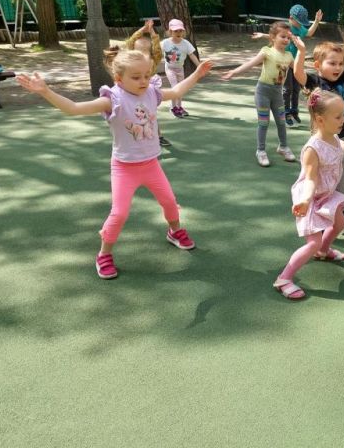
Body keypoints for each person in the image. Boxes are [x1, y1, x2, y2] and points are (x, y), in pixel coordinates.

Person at [16, 49, 214, 280]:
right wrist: (45, 91)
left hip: (151, 164)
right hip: (124, 168)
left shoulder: (152, 92)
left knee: (169, 201)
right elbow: (74, 109)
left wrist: (197, 73)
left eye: (147, 75)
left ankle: (175, 231)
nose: (143, 81)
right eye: (136, 77)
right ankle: (104, 254)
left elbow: (177, 91)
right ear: (119, 79)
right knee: (119, 214)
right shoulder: (112, 99)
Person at [273, 90, 344, 300]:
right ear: (320, 120)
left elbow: (336, 148)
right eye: (338, 117)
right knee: (312, 241)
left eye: (343, 115)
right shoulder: (312, 149)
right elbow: (310, 179)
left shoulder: (333, 138)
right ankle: (284, 278)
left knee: (340, 222)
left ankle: (323, 251)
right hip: (310, 197)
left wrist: (342, 147)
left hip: (325, 193)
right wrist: (306, 200)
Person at [293, 20, 344, 227]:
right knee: (320, 178)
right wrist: (301, 52)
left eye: (340, 63)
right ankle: (317, 210)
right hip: (321, 139)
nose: (338, 67)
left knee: (342, 176)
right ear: (318, 65)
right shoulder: (315, 82)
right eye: (332, 63)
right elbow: (298, 74)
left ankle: (337, 210)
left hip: (342, 136)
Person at [221, 21, 297, 167]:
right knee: (264, 122)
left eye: (288, 37)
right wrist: (234, 72)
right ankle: (261, 151)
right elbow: (250, 63)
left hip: (277, 93)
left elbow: (299, 71)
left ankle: (283, 147)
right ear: (273, 37)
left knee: (281, 121)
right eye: (283, 36)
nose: (286, 40)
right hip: (263, 92)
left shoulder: (289, 56)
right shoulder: (266, 51)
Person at [252, 4, 323, 127]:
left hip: (295, 63)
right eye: (299, 21)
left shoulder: (300, 28)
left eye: (302, 22)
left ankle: (294, 111)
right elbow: (275, 36)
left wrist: (316, 21)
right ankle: (285, 113)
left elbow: (309, 32)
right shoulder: (287, 28)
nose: (300, 24)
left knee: (296, 88)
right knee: (287, 89)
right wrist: (262, 35)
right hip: (284, 62)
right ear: (291, 18)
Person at [125, 19, 170, 147]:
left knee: (150, 114)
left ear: (150, 52)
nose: (141, 53)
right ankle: (136, 136)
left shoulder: (153, 60)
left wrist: (151, 32)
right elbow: (131, 41)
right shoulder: (131, 59)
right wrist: (144, 30)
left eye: (144, 50)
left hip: (147, 91)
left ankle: (158, 136)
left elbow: (156, 47)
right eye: (138, 50)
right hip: (132, 91)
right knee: (134, 114)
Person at [162, 18, 200, 118]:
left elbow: (192, 55)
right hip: (170, 68)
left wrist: (199, 66)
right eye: (175, 31)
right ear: (170, 31)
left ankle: (179, 107)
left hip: (180, 69)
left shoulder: (185, 43)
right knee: (175, 87)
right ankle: (173, 108)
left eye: (180, 31)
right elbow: (156, 52)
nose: (178, 33)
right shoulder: (165, 43)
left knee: (181, 88)